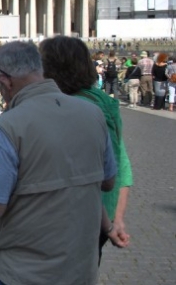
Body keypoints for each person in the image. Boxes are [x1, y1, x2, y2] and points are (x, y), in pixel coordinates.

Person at [0, 41, 117, 285]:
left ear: (7, 82)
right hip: (80, 267)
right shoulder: (93, 114)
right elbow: (109, 182)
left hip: (23, 271)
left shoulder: (7, 127)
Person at [39, 36, 132, 262]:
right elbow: (122, 163)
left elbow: (84, 178)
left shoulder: (73, 109)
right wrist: (116, 218)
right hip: (100, 216)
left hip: (74, 218)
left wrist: (109, 225)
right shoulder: (104, 103)